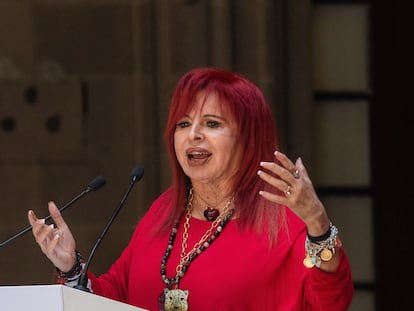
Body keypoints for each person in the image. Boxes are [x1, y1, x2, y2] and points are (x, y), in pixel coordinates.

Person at [28, 67, 354, 311]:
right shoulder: (164, 210)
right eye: (183, 124)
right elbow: (114, 297)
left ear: (248, 139)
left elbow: (330, 300)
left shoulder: (282, 217)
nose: (193, 134)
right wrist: (70, 267)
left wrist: (319, 227)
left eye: (212, 124)